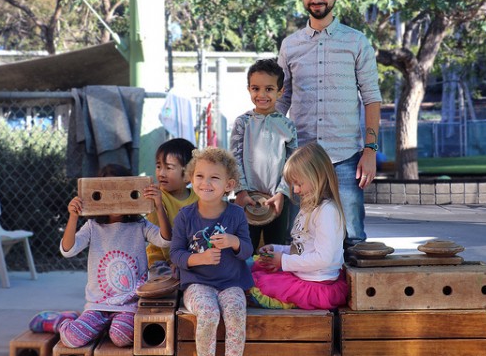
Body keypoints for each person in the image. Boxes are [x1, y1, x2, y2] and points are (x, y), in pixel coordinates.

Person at [276, 0, 382, 248]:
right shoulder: (290, 46)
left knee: (353, 240)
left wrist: (369, 152)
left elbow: (371, 98)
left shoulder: (357, 42)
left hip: (345, 159)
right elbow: (282, 98)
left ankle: (353, 294)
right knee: (300, 238)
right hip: (301, 159)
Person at [57, 164, 172, 348]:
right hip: (97, 305)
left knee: (121, 337)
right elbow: (68, 250)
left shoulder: (139, 224)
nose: (116, 200)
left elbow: (166, 240)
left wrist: (158, 206)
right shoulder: (93, 226)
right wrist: (73, 216)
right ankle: (64, 321)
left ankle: (101, 327)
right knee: (71, 338)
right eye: (108, 192)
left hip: (128, 304)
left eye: (121, 192)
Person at [170, 147, 254, 356]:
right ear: (191, 178)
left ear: (229, 185)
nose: (205, 183)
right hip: (197, 284)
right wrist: (200, 258)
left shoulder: (236, 215)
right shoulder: (185, 216)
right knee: (208, 313)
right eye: (200, 176)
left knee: (235, 312)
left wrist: (234, 242)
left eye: (214, 177)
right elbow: (175, 254)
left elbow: (247, 251)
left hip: (231, 284)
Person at [249, 143, 348, 310]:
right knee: (251, 265)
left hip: (315, 285)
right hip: (302, 275)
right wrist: (279, 250)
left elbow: (323, 258)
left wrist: (283, 261)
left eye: (299, 184)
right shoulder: (310, 206)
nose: (295, 190)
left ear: (317, 176)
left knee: (252, 282)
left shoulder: (327, 212)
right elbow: (303, 248)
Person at [230, 58, 298, 251]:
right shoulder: (242, 122)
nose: (261, 94)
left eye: (268, 89)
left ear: (280, 91)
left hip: (276, 200)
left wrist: (282, 193)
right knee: (244, 249)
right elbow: (234, 160)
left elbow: (292, 164)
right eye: (255, 88)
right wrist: (241, 192)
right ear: (249, 89)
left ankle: (272, 282)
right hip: (246, 199)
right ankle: (246, 282)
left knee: (274, 249)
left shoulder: (288, 126)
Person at [143, 138, 198, 277]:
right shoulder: (156, 198)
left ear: (187, 175)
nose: (161, 173)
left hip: (192, 257)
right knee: (169, 281)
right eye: (158, 166)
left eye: (168, 168)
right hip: (162, 261)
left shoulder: (199, 197)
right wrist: (176, 261)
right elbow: (162, 240)